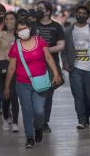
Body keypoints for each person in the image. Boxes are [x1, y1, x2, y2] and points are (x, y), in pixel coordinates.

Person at [4, 19, 61, 148]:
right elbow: (11, 68)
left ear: (30, 28)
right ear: (17, 32)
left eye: (24, 28)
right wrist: (7, 86)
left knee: (39, 111)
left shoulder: (40, 41)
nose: (22, 31)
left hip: (40, 83)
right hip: (22, 84)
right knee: (27, 111)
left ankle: (38, 128)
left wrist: (56, 74)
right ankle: (29, 137)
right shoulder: (16, 46)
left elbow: (48, 58)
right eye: (19, 29)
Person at [62, 6, 90, 129]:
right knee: (78, 95)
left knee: (89, 95)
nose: (81, 15)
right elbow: (64, 50)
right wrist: (65, 63)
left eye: (84, 13)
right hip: (75, 68)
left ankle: (86, 116)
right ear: (76, 14)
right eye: (79, 13)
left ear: (87, 16)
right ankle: (81, 120)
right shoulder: (68, 31)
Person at [34, 0, 65, 133]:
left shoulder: (56, 26)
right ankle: (36, 120)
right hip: (34, 64)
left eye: (41, 8)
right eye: (37, 8)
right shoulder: (32, 25)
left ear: (47, 11)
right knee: (35, 93)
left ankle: (44, 122)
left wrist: (46, 50)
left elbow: (61, 45)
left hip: (51, 66)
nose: (38, 10)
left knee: (48, 95)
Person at [0, 11, 20, 132]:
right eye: (7, 19)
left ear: (16, 20)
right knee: (6, 95)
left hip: (18, 68)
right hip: (4, 67)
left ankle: (15, 122)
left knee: (14, 95)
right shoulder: (0, 35)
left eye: (12, 19)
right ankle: (5, 119)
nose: (9, 21)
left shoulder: (20, 35)